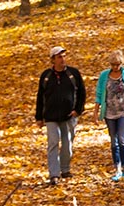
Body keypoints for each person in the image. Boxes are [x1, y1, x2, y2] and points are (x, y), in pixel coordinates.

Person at [35, 46, 87, 183]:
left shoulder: (73, 74)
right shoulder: (46, 76)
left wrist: (78, 110)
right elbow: (40, 96)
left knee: (67, 144)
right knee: (53, 143)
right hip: (51, 117)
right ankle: (54, 174)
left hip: (69, 116)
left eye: (64, 56)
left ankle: (65, 169)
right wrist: (39, 117)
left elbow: (82, 92)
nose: (62, 59)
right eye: (59, 57)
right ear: (53, 60)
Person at [96, 51, 124, 180]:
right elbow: (99, 94)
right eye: (113, 65)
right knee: (113, 141)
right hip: (109, 112)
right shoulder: (104, 76)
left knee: (121, 139)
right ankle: (117, 169)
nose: (115, 67)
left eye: (118, 64)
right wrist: (96, 112)